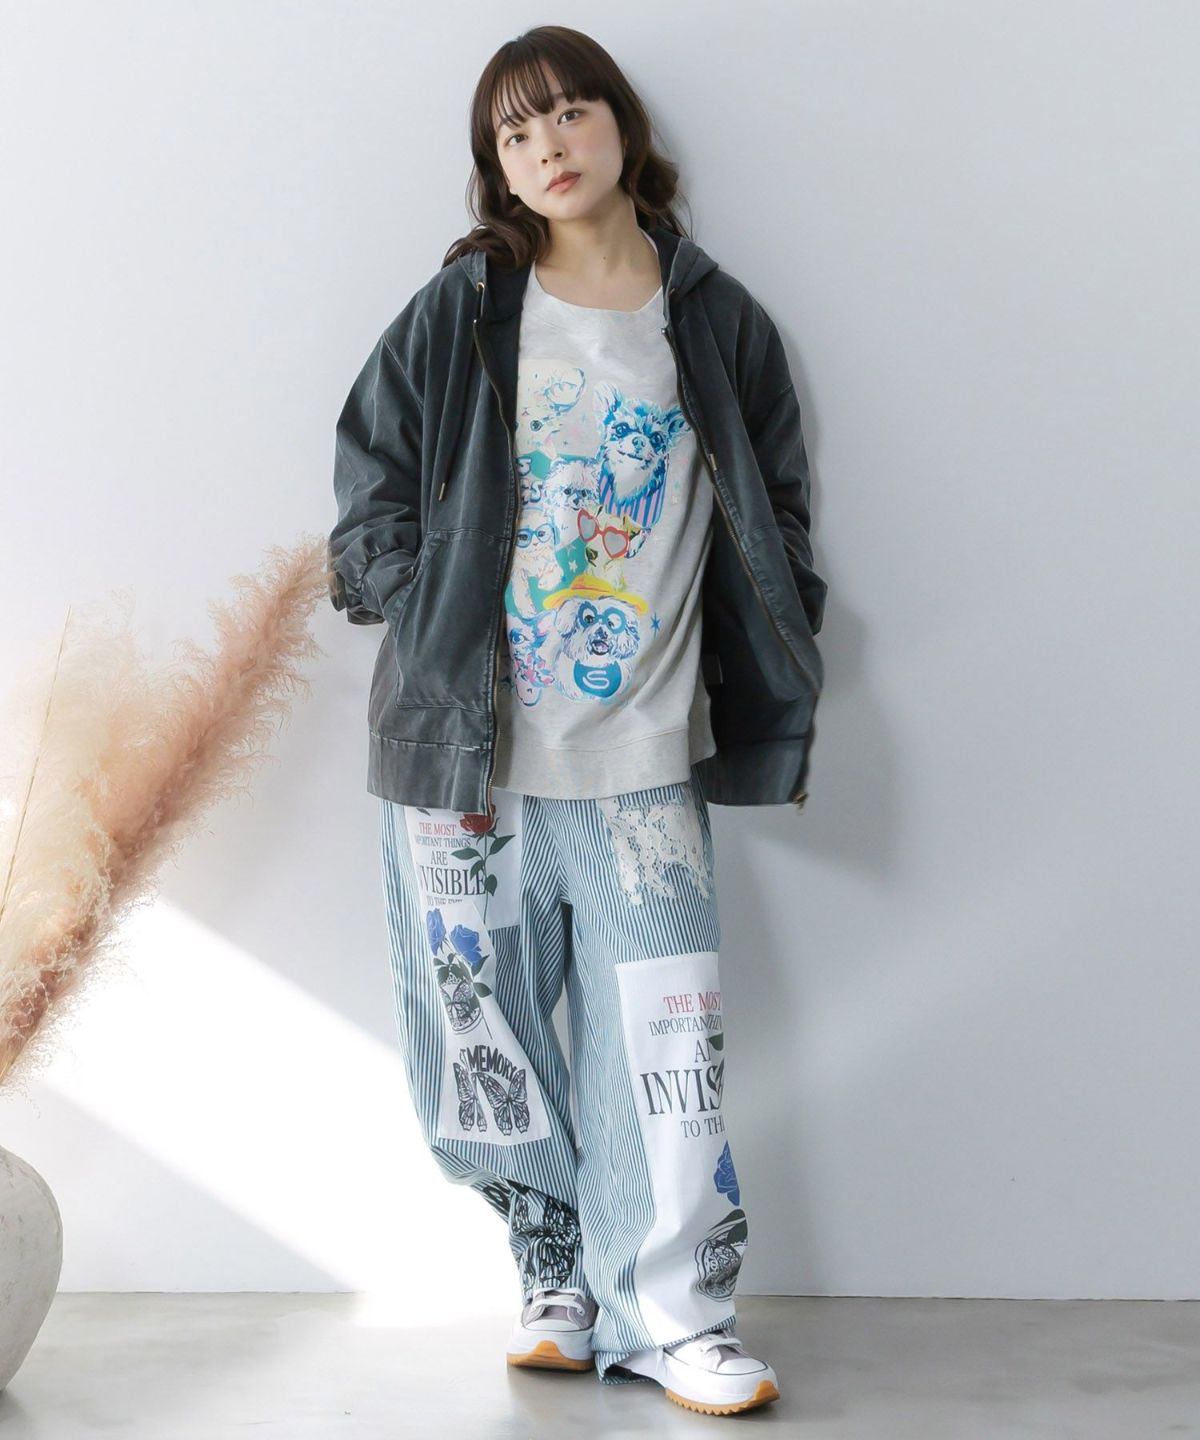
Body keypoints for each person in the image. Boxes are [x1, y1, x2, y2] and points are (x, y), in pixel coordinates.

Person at [328, 25, 826, 1418]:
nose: (547, 145)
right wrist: (424, 606)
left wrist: (780, 629)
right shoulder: (463, 309)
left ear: (621, 126)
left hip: (642, 752)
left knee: (666, 1047)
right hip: (464, 754)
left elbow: (779, 513)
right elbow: (366, 487)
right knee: (477, 1029)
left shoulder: (714, 318)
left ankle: (678, 1317)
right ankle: (552, 1267)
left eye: (567, 113)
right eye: (515, 131)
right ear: (495, 168)